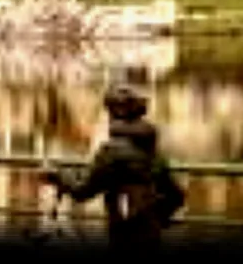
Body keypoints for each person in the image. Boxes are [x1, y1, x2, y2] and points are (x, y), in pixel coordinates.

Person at [39, 85, 184, 250]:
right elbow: (176, 195)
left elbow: (83, 191)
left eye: (108, 111)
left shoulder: (112, 151)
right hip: (150, 234)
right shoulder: (151, 150)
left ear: (116, 113)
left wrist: (57, 176)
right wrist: (155, 218)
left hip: (123, 233)